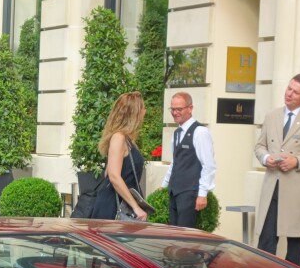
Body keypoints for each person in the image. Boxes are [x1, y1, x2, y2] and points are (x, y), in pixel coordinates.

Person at [253, 74, 300, 265]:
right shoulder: (271, 116)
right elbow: (259, 146)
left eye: (296, 92)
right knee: (265, 242)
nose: (290, 94)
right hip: (272, 187)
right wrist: (266, 157)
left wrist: (297, 161)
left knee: (294, 246)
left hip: (296, 190)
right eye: (289, 89)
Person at [160, 91, 216, 228]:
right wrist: (164, 186)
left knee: (185, 237)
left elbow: (208, 165)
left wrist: (202, 194)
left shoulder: (200, 132)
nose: (175, 113)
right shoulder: (177, 133)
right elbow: (175, 162)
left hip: (190, 193)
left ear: (190, 108)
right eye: (172, 109)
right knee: (174, 234)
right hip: (174, 191)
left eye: (179, 109)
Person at [92, 92, 150, 220]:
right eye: (143, 108)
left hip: (120, 203)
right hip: (114, 206)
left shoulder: (126, 139)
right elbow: (113, 176)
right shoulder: (119, 138)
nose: (145, 111)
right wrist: (136, 207)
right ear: (136, 112)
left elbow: (109, 172)